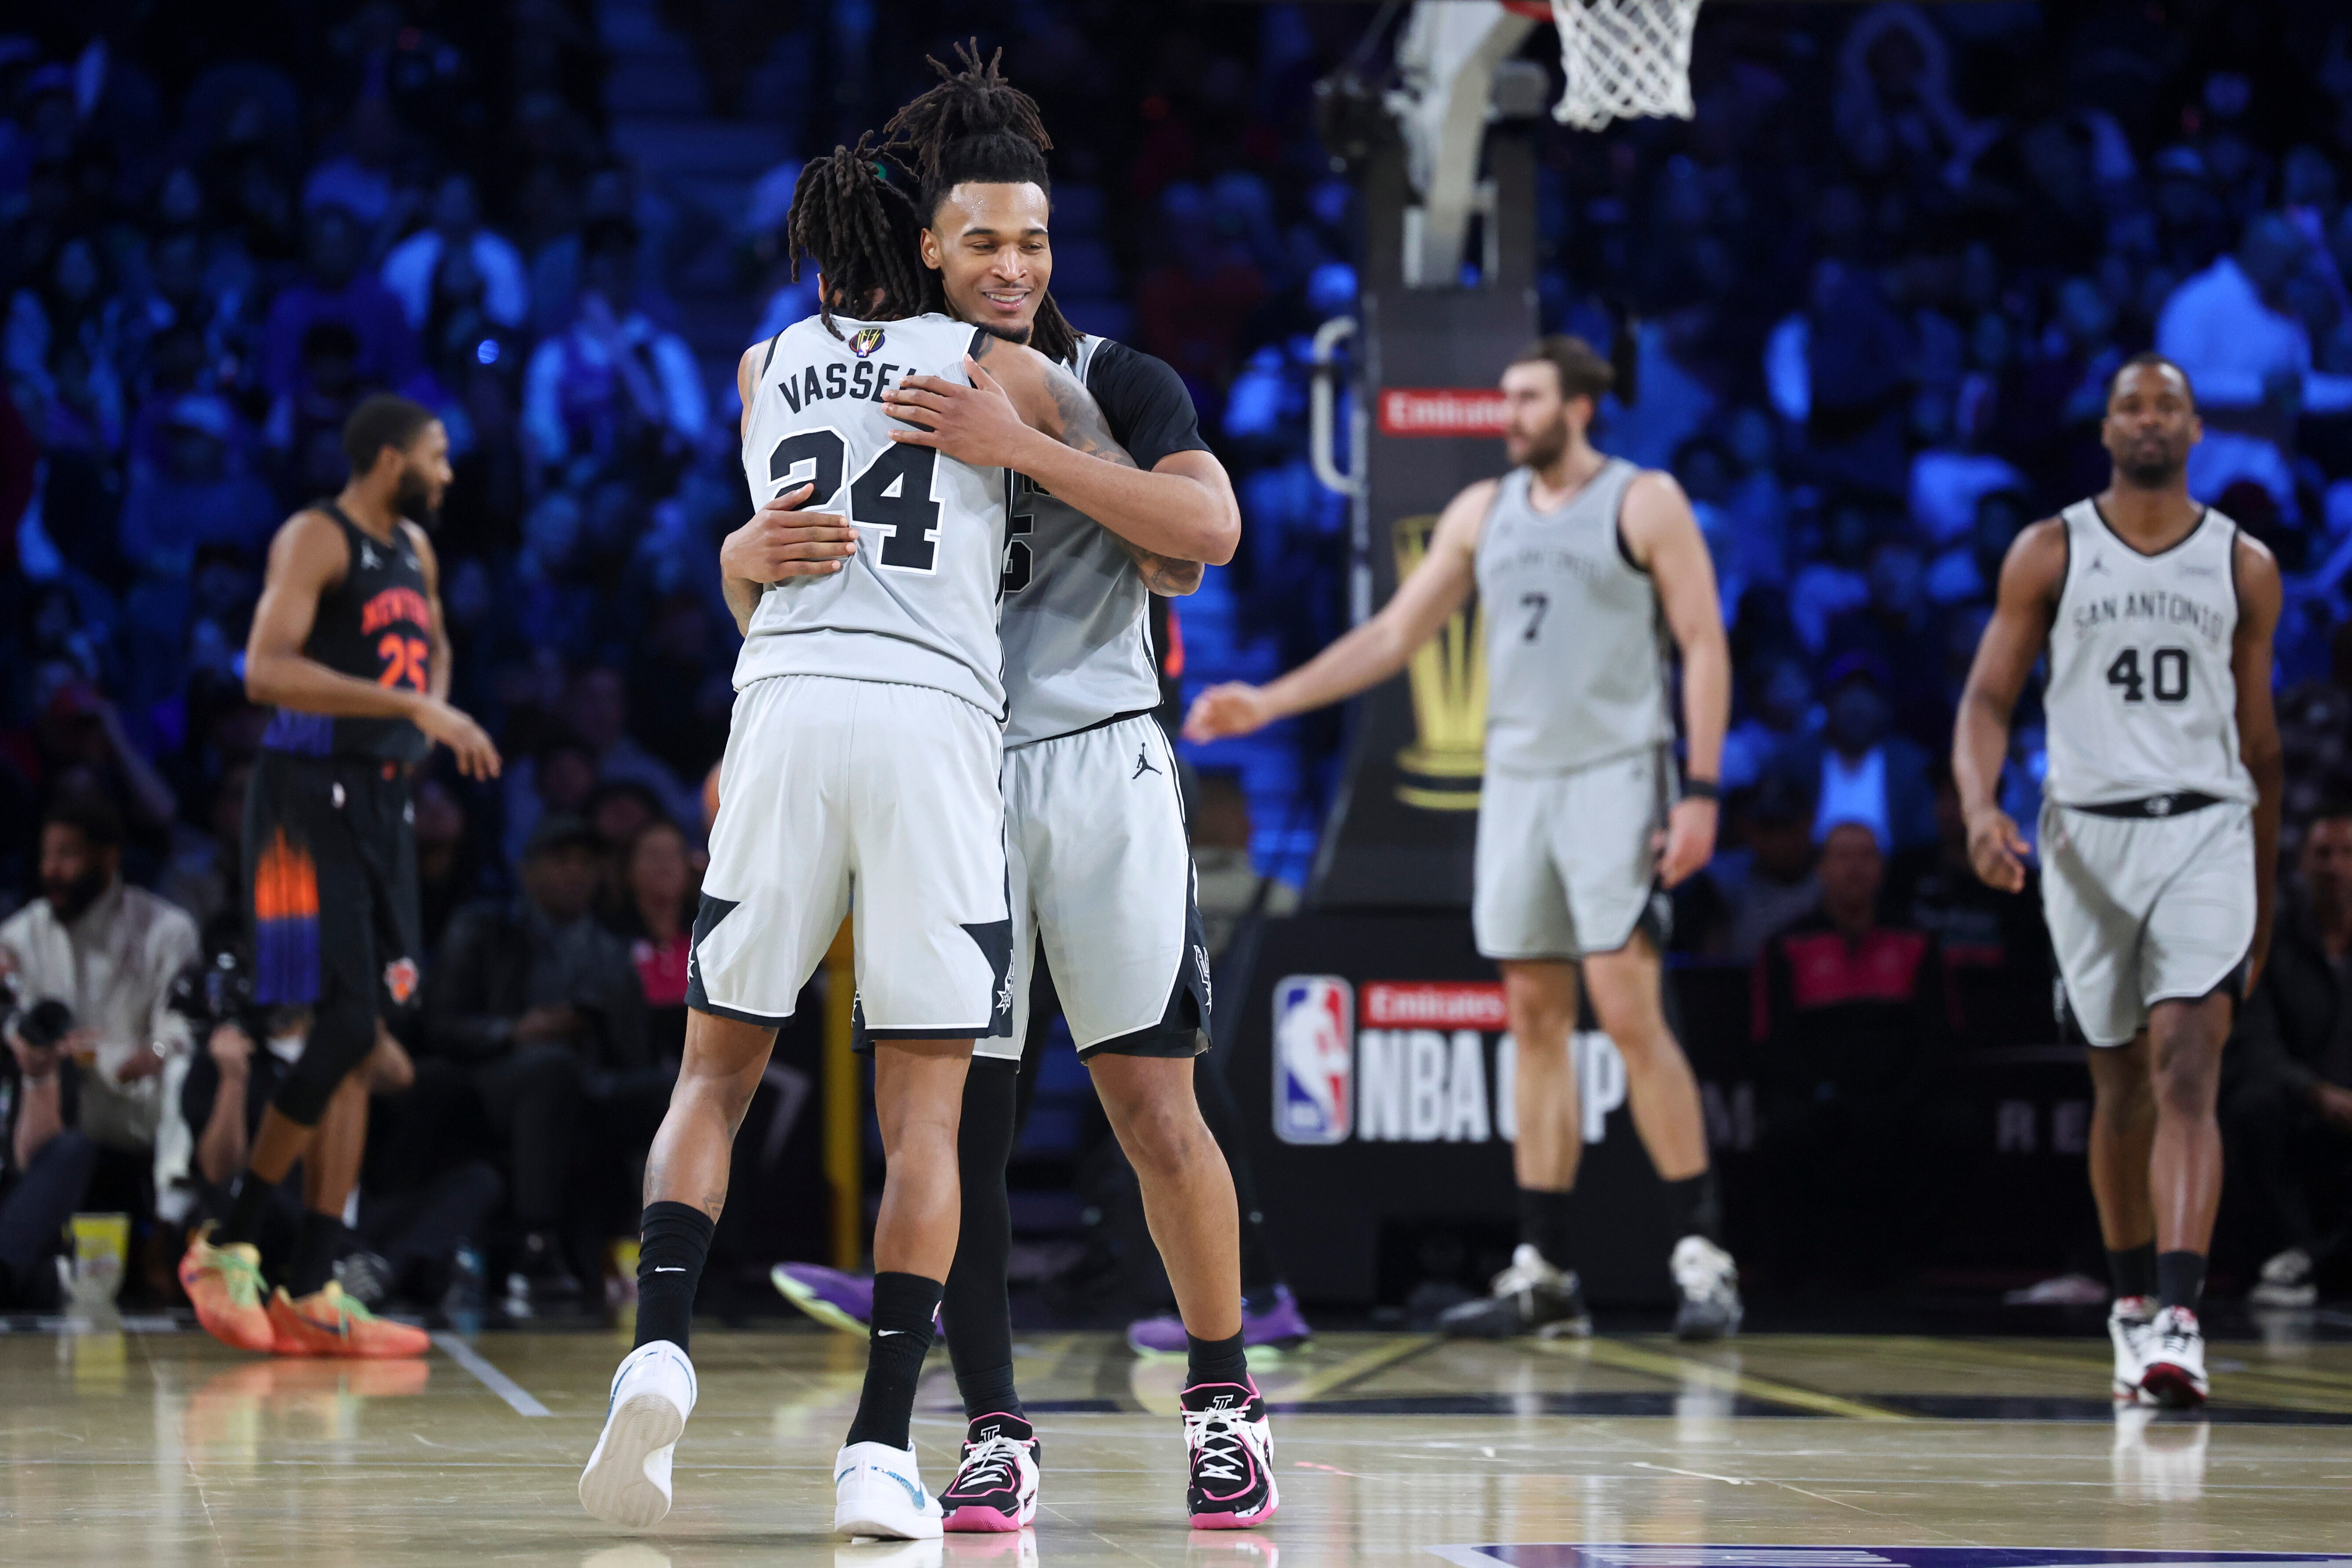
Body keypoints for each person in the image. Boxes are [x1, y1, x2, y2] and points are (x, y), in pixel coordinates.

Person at [576, 137, 1149, 1543]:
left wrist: (729, 558)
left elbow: (768, 543)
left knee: (714, 1074)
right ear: (934, 254)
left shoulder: (760, 364)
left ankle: (658, 1342)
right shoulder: (1000, 368)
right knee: (925, 1115)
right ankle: (881, 1446)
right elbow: (1175, 537)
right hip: (931, 729)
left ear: (825, 258)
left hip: (777, 709)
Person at [1188, 334, 1743, 1341]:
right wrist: (1266, 702)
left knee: (1627, 1007)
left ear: (1580, 408)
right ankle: (1547, 1268)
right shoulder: (1482, 512)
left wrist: (1701, 789)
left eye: (1528, 398)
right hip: (1519, 780)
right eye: (1507, 397)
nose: (1510, 414)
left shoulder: (1641, 498)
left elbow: (1703, 643)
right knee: (1533, 1016)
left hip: (1618, 772)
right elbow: (1395, 636)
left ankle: (1701, 1253)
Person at [1954, 352, 2284, 1409]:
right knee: (2121, 1084)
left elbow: (2264, 747)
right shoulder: (2050, 549)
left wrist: (2265, 892)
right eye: (2131, 406)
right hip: (2086, 840)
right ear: (2105, 431)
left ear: (2197, 430)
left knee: (2189, 1057)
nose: (2149, 420)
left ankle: (2182, 1317)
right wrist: (1978, 805)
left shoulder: (2245, 565)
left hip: (2206, 828)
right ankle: (2133, 1304)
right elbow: (1985, 704)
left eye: (2168, 405)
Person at [176, 394, 501, 1359]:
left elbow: (434, 641)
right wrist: (415, 707)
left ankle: (313, 1283)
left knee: (364, 1041)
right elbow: (264, 671)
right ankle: (227, 1242)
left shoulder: (416, 550)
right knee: (346, 1020)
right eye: (437, 456)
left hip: (378, 797)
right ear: (390, 456)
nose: (448, 473)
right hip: (301, 793)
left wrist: (425, 710)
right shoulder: (315, 538)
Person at [423, 812, 653, 1306]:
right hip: (493, 1076)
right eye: (560, 860)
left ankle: (688, 1252)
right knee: (549, 1068)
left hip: (591, 1081)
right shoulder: (483, 928)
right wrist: (515, 1030)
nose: (574, 873)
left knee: (680, 1092)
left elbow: (634, 1052)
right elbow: (439, 1023)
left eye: (586, 863)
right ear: (527, 870)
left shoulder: (612, 952)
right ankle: (537, 1241)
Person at [1751, 821, 1957, 1283]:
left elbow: (1936, 1039)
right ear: (1821, 868)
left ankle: (1916, 1271)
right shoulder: (1786, 945)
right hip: (1818, 1097)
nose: (1854, 868)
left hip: (1900, 1098)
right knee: (1788, 1128)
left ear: (1882, 869)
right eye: (1842, 856)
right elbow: (1773, 1043)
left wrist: (1894, 1099)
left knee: (1947, 1126)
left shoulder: (1917, 941)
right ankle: (1800, 1274)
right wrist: (1826, 1094)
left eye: (1865, 856)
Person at [0, 796, 199, 1226]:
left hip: (134, 1100)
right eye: (46, 855)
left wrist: (157, 1050)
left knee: (184, 1066)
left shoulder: (166, 929)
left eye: (67, 855)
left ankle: (170, 1214)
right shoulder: (20, 935)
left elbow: (181, 1020)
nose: (51, 869)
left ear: (109, 859)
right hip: (51, 1102)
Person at [2226, 806, 2352, 1308]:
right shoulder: (2269, 940)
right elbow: (2254, 1039)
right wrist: (2315, 1092)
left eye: (2346, 853)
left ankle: (2316, 1262)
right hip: (2294, 1100)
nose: (2335, 866)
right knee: (2248, 1102)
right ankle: (2286, 1256)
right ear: (2302, 863)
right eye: (2322, 853)